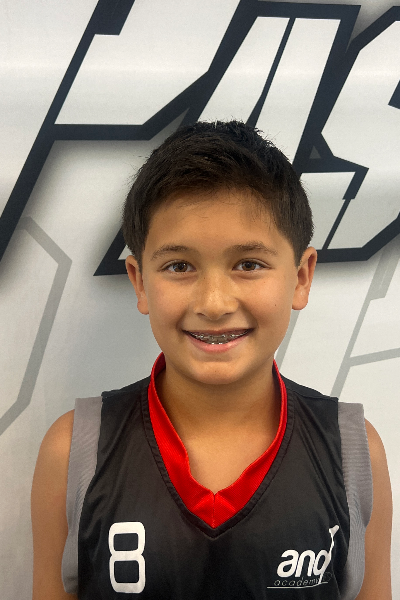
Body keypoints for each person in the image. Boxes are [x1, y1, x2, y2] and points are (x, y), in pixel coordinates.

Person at [31, 121, 392, 599]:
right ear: (139, 281)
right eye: (179, 266)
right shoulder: (75, 451)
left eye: (249, 264)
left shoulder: (354, 453)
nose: (215, 303)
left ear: (302, 277)